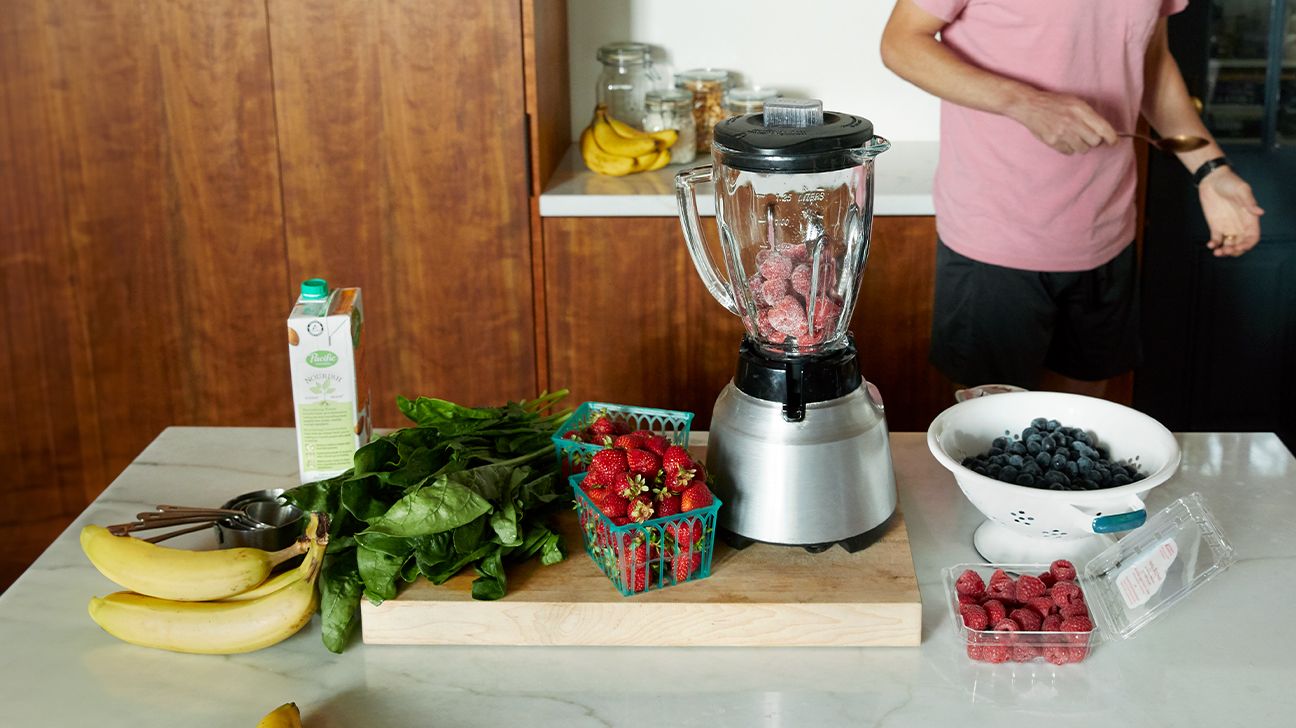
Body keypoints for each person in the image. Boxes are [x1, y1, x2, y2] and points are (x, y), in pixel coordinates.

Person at [880, 0, 1264, 397]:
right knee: (989, 440)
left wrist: (1210, 170)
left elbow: (1151, 60)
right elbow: (901, 42)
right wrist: (1025, 102)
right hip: (996, 236)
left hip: (1107, 231)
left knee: (1079, 435)